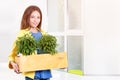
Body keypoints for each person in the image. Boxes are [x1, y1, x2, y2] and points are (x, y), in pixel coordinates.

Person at [8, 5, 52, 80]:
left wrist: (59, 62)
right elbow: (13, 53)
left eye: (38, 17)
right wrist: (13, 63)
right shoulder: (22, 34)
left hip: (45, 72)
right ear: (27, 17)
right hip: (32, 72)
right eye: (32, 17)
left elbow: (50, 52)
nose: (36, 20)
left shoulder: (44, 33)